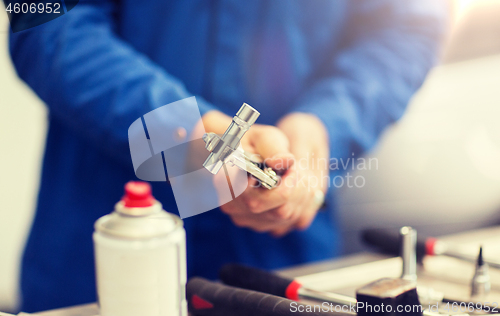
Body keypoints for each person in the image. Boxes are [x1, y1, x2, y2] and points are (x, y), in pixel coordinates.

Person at [9, 0, 448, 312]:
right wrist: (182, 132)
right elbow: (42, 19)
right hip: (99, 250)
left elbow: (409, 26)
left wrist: (326, 127)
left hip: (279, 253)